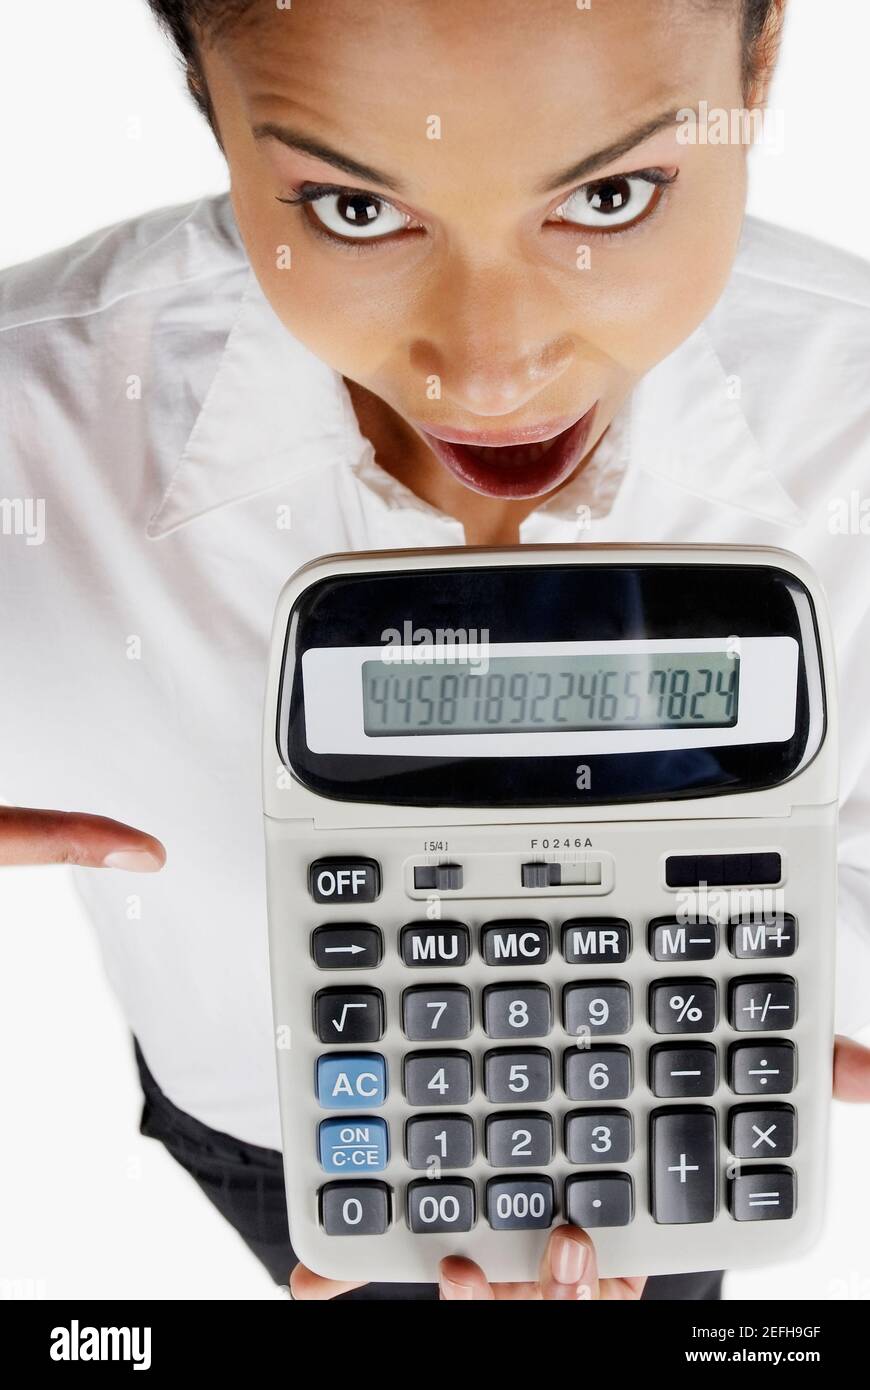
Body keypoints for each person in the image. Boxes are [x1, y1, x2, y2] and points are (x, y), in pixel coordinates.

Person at [1, 0, 870, 1301]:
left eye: (614, 193)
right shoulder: (26, 421)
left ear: (757, 65)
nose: (488, 369)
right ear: (204, 100)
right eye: (354, 208)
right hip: (268, 1128)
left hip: (691, 1094)